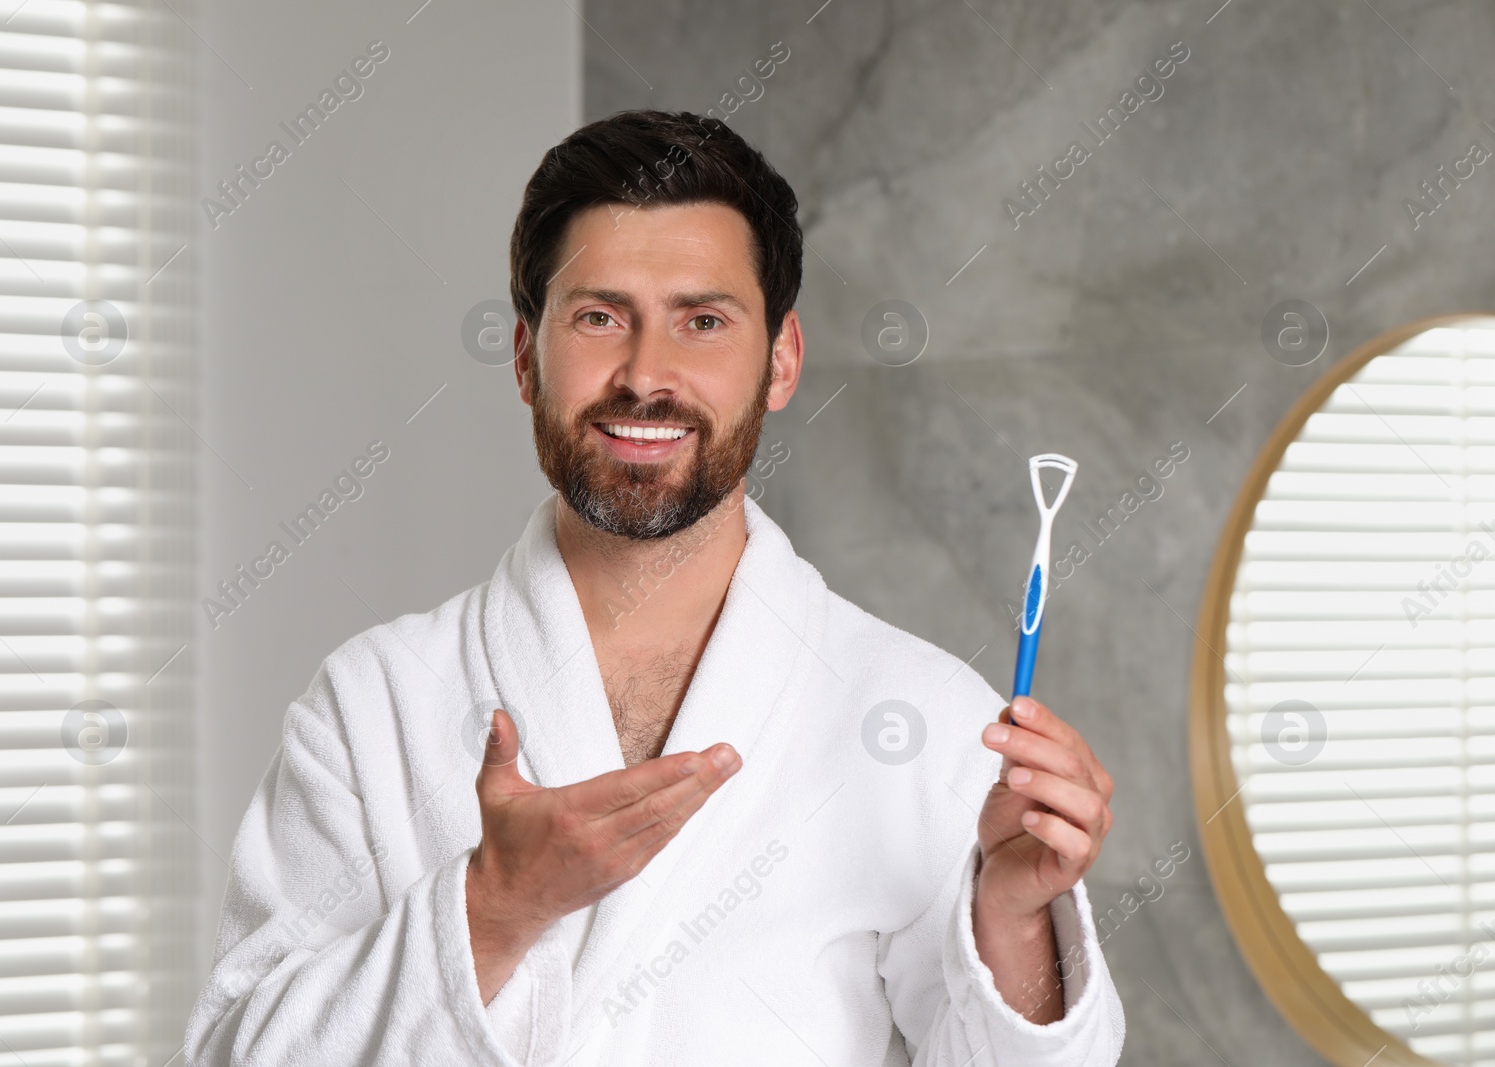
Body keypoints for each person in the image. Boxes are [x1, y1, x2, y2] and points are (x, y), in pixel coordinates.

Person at [185, 109, 1124, 1066]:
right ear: (524, 356)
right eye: (599, 317)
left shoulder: (917, 714)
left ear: (782, 361)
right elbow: (234, 1052)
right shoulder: (372, 703)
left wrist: (1011, 922)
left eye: (703, 321)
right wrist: (491, 910)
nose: (645, 375)